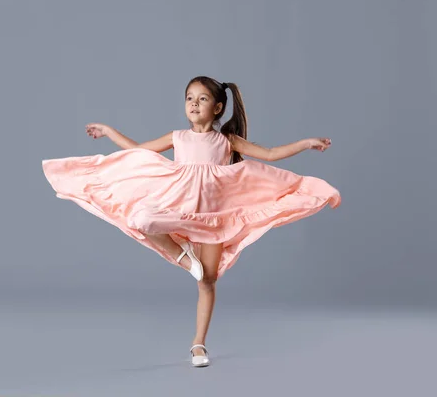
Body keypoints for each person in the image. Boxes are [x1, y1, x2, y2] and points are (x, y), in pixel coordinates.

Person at [41, 75, 341, 367]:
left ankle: (198, 344)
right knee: (140, 217)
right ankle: (182, 257)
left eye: (202, 99)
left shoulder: (227, 140)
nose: (194, 104)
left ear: (218, 108)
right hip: (177, 209)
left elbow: (271, 154)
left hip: (212, 219)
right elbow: (137, 150)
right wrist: (109, 131)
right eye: (189, 99)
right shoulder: (178, 137)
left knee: (207, 280)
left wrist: (306, 143)